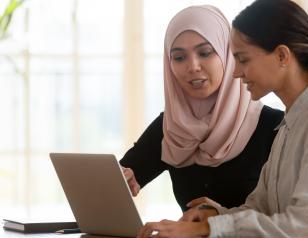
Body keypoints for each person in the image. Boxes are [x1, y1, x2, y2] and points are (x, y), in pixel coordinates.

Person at [137, 0, 308, 237]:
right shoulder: (289, 125)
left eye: (242, 59)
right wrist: (214, 215)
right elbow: (261, 207)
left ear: (282, 56)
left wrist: (207, 229)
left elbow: (306, 226)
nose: (236, 72)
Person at [119, 5, 283, 212]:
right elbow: (123, 175)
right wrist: (122, 179)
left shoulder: (276, 127)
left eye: (205, 53)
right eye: (179, 57)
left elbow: (288, 218)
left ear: (228, 54)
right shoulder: (171, 126)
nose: (193, 66)